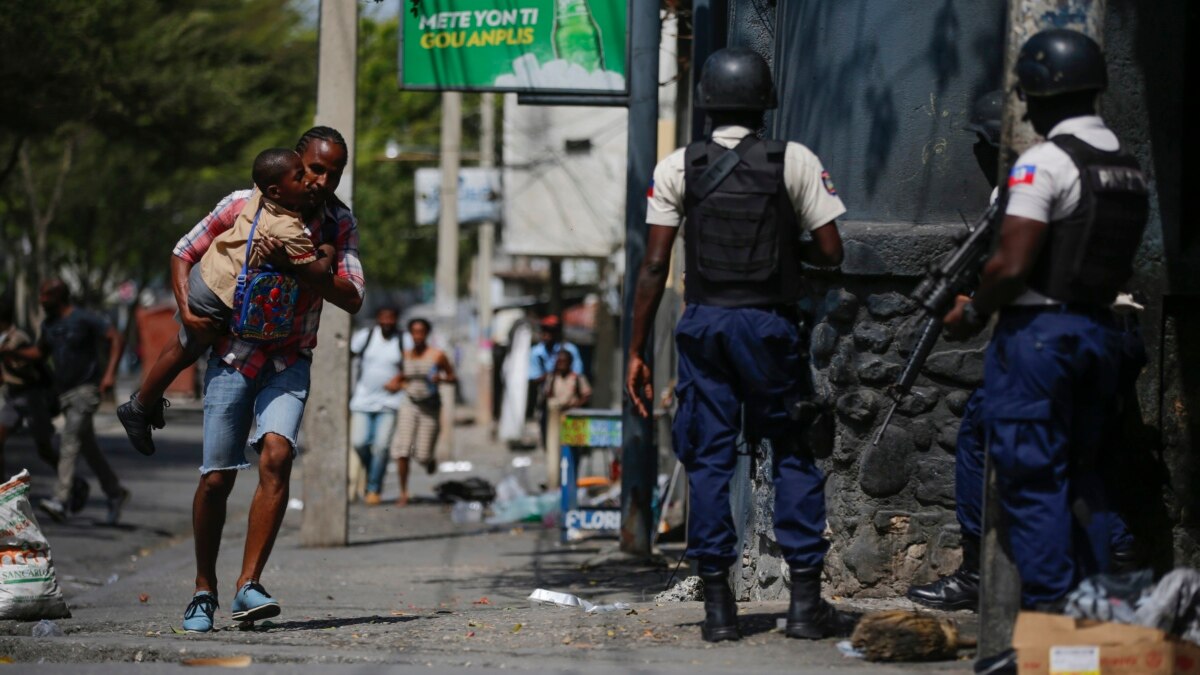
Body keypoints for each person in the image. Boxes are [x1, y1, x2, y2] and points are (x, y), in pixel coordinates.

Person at [626, 47, 852, 642]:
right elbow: (832, 250)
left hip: (704, 326)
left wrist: (637, 350)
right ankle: (804, 605)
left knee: (708, 457)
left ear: (704, 102)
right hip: (770, 327)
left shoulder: (678, 166)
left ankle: (719, 612)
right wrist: (787, 252)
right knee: (793, 450)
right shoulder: (794, 160)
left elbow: (653, 266)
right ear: (764, 102)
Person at [943, 30, 1150, 610]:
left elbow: (1011, 263)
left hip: (1041, 339)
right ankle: (1087, 630)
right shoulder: (1125, 167)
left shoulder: (1045, 162)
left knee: (1034, 487)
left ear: (1040, 92)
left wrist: (973, 309)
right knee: (1084, 480)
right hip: (1100, 334)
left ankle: (1049, 631)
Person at [168, 127, 365, 633]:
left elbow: (352, 293)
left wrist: (298, 268)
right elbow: (184, 250)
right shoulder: (242, 204)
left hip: (289, 357)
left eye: (333, 172)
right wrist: (188, 311)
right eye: (315, 169)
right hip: (234, 354)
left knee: (277, 455)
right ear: (295, 164)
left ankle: (247, 586)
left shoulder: (339, 223)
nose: (322, 180)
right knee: (217, 478)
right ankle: (203, 589)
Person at [117, 148, 335, 457]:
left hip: (206, 275)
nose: (309, 182)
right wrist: (328, 246)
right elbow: (317, 271)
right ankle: (139, 406)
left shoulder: (258, 198)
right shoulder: (288, 229)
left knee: (187, 344)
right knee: (189, 345)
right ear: (276, 190)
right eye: (300, 176)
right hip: (220, 294)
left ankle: (145, 402)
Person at [19, 280, 129, 525]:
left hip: (86, 390)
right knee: (88, 448)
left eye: (46, 295)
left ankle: (60, 499)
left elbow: (115, 338)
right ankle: (115, 492)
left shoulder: (84, 319)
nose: (41, 300)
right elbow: (39, 353)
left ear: (60, 296)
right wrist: (12, 352)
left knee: (69, 441)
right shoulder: (49, 325)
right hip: (64, 394)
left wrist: (110, 374)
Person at [389, 318, 455, 507]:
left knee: (423, 455)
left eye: (421, 332)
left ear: (427, 334)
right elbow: (402, 376)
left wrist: (441, 378)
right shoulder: (406, 355)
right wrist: (394, 383)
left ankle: (429, 460)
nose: (418, 336)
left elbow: (452, 377)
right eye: (414, 332)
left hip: (430, 408)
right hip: (410, 404)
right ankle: (403, 492)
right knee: (402, 449)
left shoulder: (437, 356)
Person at [349, 306, 404, 505]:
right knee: (359, 443)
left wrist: (400, 379)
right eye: (384, 318)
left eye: (391, 318)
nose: (387, 322)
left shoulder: (403, 341)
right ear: (378, 319)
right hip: (362, 401)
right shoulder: (366, 336)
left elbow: (412, 364)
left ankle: (373, 488)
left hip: (389, 403)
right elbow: (348, 356)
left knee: (381, 447)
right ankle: (371, 469)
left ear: (396, 320)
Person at [528, 315, 582, 451]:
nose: (547, 335)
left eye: (551, 331)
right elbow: (533, 377)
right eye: (544, 331)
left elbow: (578, 375)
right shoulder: (537, 353)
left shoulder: (570, 350)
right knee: (550, 441)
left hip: (570, 403)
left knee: (571, 442)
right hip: (549, 403)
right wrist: (552, 375)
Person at [543, 349, 592, 489]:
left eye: (564, 361)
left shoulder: (577, 378)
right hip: (556, 418)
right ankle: (555, 483)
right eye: (559, 362)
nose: (561, 364)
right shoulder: (552, 378)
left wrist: (575, 404)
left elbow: (586, 395)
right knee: (554, 451)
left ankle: (572, 481)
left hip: (573, 419)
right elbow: (547, 394)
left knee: (573, 452)